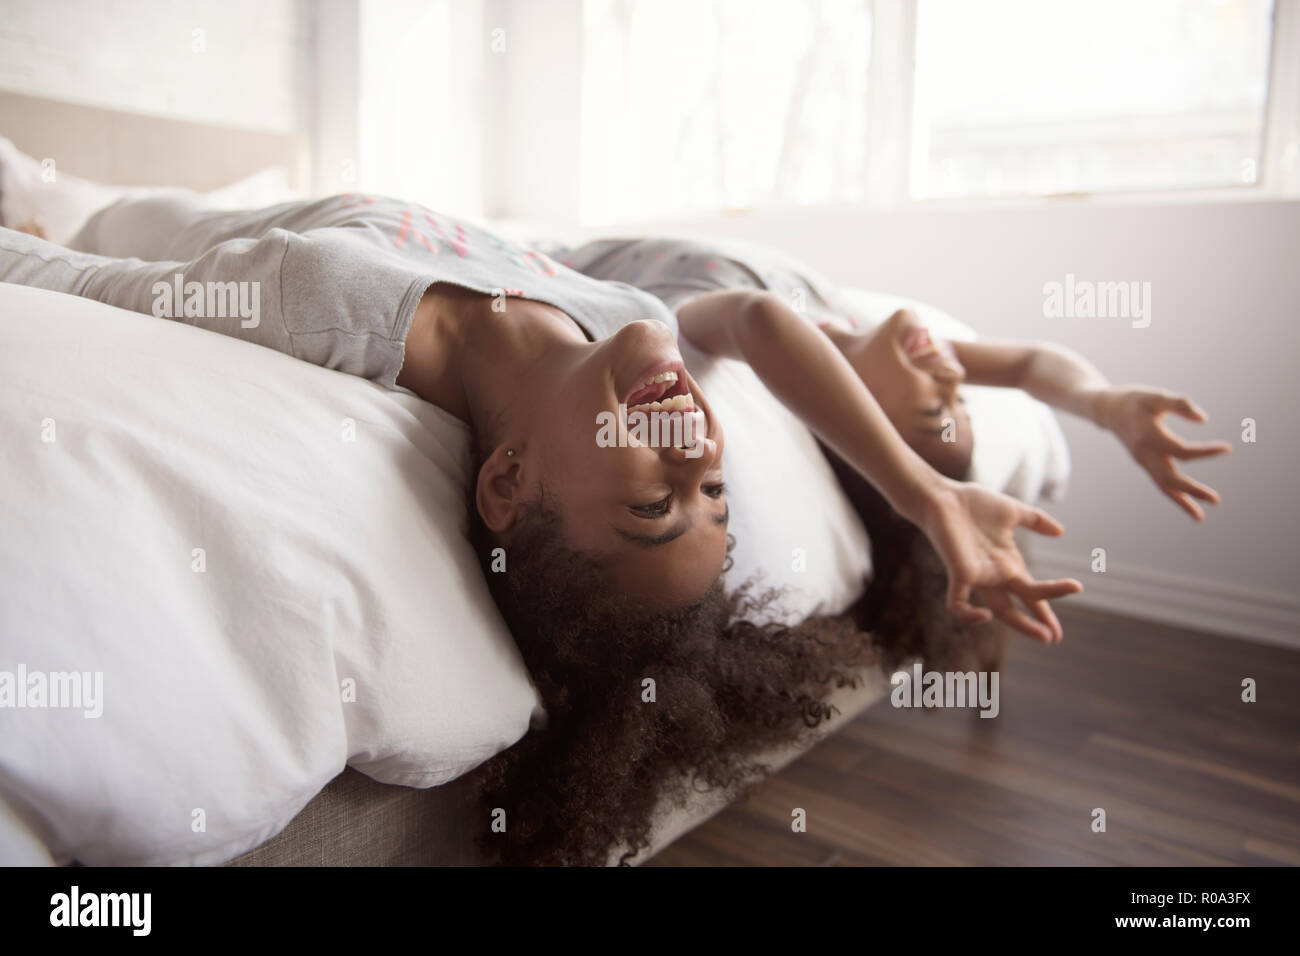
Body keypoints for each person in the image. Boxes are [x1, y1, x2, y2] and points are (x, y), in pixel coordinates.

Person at [0, 193, 1081, 864]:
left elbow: (100, 281)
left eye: (654, 501)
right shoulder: (625, 321)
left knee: (95, 216)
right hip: (350, 205)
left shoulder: (330, 308)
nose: (705, 459)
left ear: (507, 482)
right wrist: (924, 494)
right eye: (712, 500)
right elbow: (753, 319)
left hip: (232, 235)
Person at [561, 235, 1230, 522]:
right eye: (959, 395)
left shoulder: (756, 340)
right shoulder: (854, 319)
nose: (949, 377)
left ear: (867, 415)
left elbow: (757, 319)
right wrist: (1103, 402)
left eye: (933, 410)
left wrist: (924, 494)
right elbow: (1028, 364)